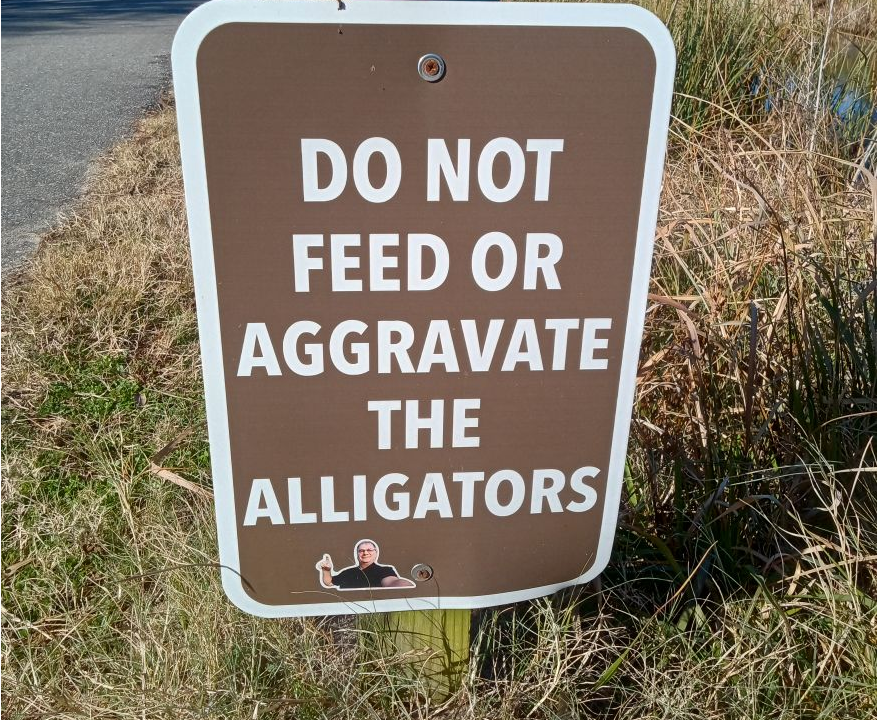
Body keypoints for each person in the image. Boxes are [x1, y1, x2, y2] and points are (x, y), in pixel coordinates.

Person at [317, 539, 415, 590]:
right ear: (357, 554)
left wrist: (404, 585)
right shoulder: (348, 572)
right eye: (361, 551)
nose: (365, 553)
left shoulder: (385, 570)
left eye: (369, 550)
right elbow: (329, 582)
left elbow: (391, 583)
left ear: (376, 553)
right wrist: (326, 570)